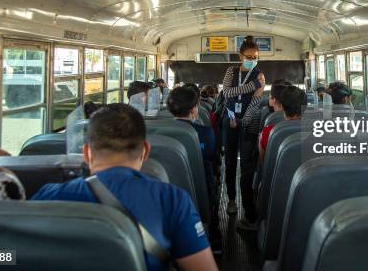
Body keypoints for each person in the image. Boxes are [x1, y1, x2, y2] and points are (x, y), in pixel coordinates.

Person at [32, 104, 217, 271]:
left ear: (87, 153)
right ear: (145, 151)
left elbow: (8, 257)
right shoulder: (171, 200)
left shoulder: (48, 196)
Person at [167, 86, 222, 253]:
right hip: (201, 189)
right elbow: (213, 158)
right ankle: (214, 236)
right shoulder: (205, 133)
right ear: (194, 110)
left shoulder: (161, 133)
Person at [220, 35, 264, 229]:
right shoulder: (231, 71)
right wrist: (252, 86)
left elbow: (255, 103)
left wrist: (242, 121)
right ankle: (231, 200)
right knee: (229, 163)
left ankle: (248, 209)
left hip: (248, 123)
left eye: (255, 57)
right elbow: (227, 93)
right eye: (249, 56)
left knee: (247, 167)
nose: (252, 60)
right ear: (240, 56)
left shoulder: (260, 75)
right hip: (228, 120)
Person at [257, 80, 290, 162]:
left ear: (274, 100)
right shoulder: (306, 126)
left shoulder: (268, 130)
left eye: (270, 96)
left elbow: (264, 163)